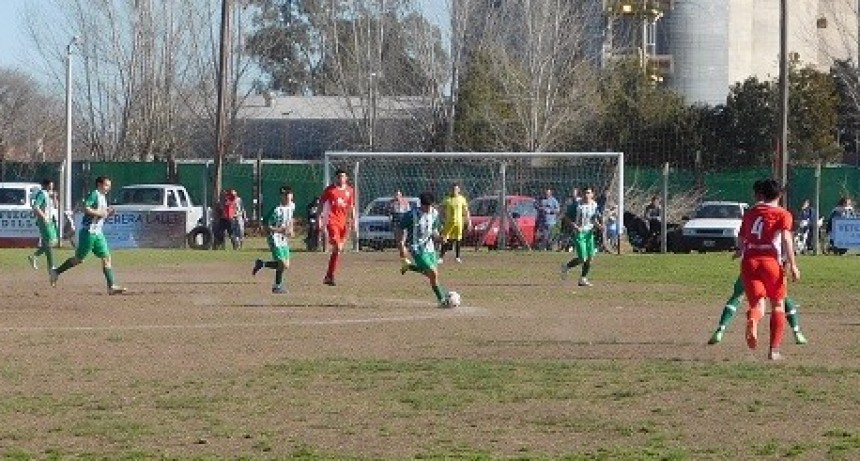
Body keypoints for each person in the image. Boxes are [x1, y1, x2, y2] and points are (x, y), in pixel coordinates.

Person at [737, 178, 799, 360]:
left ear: (761, 194)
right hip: (770, 261)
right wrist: (793, 264)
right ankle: (774, 350)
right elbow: (787, 240)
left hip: (749, 261)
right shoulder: (783, 214)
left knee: (757, 305)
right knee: (778, 304)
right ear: (780, 195)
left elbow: (741, 239)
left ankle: (754, 319)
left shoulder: (750, 213)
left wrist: (740, 251)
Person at [50, 176, 127, 295]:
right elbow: (86, 208)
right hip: (89, 232)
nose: (108, 188)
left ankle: (111, 286)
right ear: (99, 185)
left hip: (98, 232)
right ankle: (56, 272)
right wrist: (101, 213)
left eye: (109, 185)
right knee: (79, 259)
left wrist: (107, 212)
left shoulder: (102, 197)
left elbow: (100, 213)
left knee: (106, 257)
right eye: (107, 185)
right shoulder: (94, 194)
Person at [707, 276, 807, 345]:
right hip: (771, 266)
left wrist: (739, 251)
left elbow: (742, 248)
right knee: (781, 298)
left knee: (737, 296)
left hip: (751, 266)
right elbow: (786, 248)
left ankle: (720, 330)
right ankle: (797, 332)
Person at [398, 191, 451, 307]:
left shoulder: (434, 214)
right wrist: (401, 244)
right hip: (416, 248)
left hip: (430, 248)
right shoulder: (411, 215)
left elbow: (434, 232)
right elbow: (401, 228)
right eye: (426, 206)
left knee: (431, 275)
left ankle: (409, 266)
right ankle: (442, 300)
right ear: (421, 204)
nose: (428, 208)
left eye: (430, 205)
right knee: (433, 273)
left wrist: (440, 238)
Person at [252, 185, 295, 293]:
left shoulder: (292, 206)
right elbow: (265, 226)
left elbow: (290, 219)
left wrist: (291, 229)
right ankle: (277, 286)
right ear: (281, 196)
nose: (287, 197)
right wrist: (279, 230)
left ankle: (263, 265)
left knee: (286, 265)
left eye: (288, 194)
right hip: (274, 238)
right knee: (283, 264)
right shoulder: (276, 210)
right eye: (284, 195)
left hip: (283, 238)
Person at [319, 169, 356, 286]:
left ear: (346, 178)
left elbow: (351, 206)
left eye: (343, 176)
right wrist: (319, 218)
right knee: (337, 246)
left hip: (344, 223)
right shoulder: (330, 190)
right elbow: (321, 203)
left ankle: (329, 276)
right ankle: (330, 275)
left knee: (337, 250)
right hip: (332, 221)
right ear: (336, 178)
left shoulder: (350, 190)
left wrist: (354, 221)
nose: (341, 179)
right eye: (339, 176)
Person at [560, 186, 600, 286]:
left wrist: (599, 226)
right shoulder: (577, 205)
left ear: (592, 194)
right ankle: (566, 266)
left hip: (589, 233)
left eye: (589, 193)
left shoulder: (594, 205)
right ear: (582, 194)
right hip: (579, 233)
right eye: (585, 193)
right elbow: (565, 217)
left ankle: (583, 279)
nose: (587, 195)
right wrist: (575, 226)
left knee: (590, 258)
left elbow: (593, 219)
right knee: (583, 258)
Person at [28, 178, 58, 274]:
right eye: (50, 185)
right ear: (45, 185)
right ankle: (51, 266)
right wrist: (44, 217)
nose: (51, 187)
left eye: (52, 186)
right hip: (44, 221)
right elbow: (36, 207)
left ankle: (34, 256)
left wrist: (54, 198)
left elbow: (56, 206)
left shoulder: (50, 195)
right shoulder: (41, 194)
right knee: (49, 242)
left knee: (52, 242)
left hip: (50, 220)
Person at [439, 184, 471, 263]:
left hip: (459, 223)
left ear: (459, 190)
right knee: (445, 239)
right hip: (448, 223)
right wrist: (441, 220)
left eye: (456, 189)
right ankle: (440, 257)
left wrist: (469, 221)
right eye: (453, 189)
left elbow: (466, 211)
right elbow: (441, 210)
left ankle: (457, 257)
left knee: (458, 239)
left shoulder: (462, 199)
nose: (454, 191)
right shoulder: (447, 199)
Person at [390, 189, 413, 263]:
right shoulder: (392, 202)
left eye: (398, 195)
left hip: (403, 223)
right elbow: (390, 213)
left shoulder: (405, 202)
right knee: (399, 243)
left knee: (401, 242)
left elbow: (408, 212)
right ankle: (403, 257)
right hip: (396, 223)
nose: (397, 196)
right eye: (396, 195)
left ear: (401, 195)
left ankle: (404, 258)